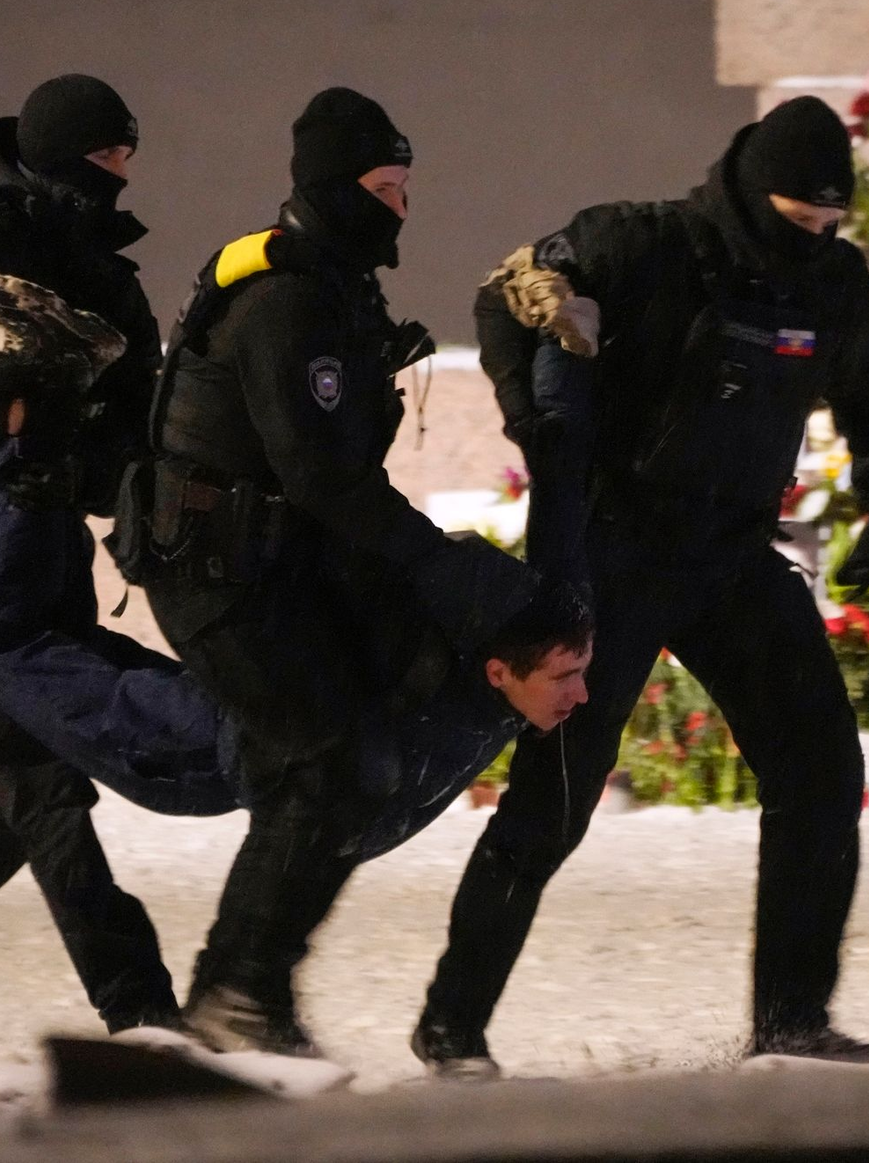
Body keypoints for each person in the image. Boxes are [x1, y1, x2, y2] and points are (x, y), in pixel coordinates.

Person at [413, 96, 869, 1076]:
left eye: (828, 223)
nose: (810, 238)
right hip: (618, 552)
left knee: (821, 772)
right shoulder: (642, 241)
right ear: (750, 191)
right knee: (556, 795)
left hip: (730, 557)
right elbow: (508, 295)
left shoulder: (834, 283)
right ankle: (452, 1025)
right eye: (796, 218)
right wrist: (541, 427)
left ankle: (793, 1023)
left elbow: (866, 390)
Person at [138, 87, 576, 1055]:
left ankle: (253, 993)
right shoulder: (287, 302)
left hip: (285, 562)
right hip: (217, 573)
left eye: (407, 184)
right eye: (386, 186)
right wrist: (438, 566)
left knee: (365, 753)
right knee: (325, 758)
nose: (403, 206)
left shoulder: (339, 294)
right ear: (338, 191)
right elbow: (320, 474)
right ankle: (231, 999)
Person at [0, 74, 182, 1034]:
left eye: (127, 158)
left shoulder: (107, 273)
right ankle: (143, 1015)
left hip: (39, 553)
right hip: (13, 568)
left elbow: (132, 422)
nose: (121, 175)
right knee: (44, 791)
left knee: (28, 794)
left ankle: (145, 1015)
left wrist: (82, 476)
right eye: (108, 157)